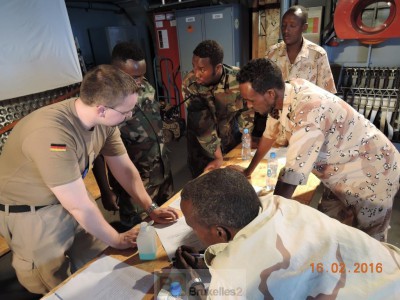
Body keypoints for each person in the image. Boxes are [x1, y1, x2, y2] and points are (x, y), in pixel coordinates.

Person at [0, 65, 178, 295]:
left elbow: (124, 168)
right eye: (126, 112)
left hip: (70, 194)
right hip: (33, 214)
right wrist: (116, 237)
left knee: (99, 261)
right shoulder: (52, 134)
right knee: (55, 283)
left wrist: (150, 207)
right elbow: (78, 206)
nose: (130, 116)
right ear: (102, 109)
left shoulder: (104, 122)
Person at [229, 58, 399, 242]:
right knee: (326, 230)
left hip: (374, 172)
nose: (248, 105)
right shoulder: (283, 97)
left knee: (368, 243)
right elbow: (269, 136)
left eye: (250, 100)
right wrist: (248, 171)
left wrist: (268, 219)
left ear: (269, 93)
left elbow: (292, 175)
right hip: (338, 173)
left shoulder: (309, 108)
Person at [174, 168, 400, 299]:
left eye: (193, 226)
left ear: (221, 232)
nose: (193, 232)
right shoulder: (279, 204)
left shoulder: (235, 280)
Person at [93, 42, 174, 229]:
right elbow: (98, 153)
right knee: (139, 235)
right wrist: (105, 191)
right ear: (115, 72)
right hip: (134, 185)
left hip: (162, 172)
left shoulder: (145, 87)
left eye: (142, 75)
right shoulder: (104, 103)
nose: (139, 82)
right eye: (133, 77)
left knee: (169, 224)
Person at [256, 5, 337, 146]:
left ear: (304, 27)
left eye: (292, 25)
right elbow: (265, 90)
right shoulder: (272, 54)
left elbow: (328, 97)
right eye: (284, 25)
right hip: (278, 130)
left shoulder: (317, 55)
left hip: (306, 130)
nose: (286, 30)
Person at [182, 40, 253, 178]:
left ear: (218, 67)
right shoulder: (190, 84)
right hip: (202, 148)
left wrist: (247, 136)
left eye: (202, 69)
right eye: (193, 67)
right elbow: (203, 126)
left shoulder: (238, 79)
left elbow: (246, 110)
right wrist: (218, 157)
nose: (196, 74)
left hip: (229, 141)